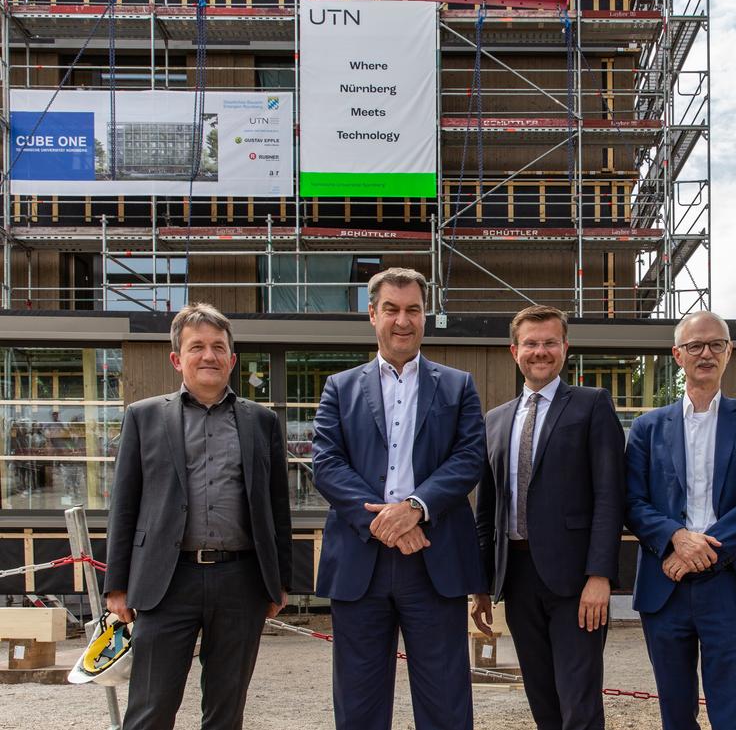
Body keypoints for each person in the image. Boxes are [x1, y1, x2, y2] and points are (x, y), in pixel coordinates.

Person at [312, 267, 486, 730]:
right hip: (360, 561)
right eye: (392, 309)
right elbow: (326, 464)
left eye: (413, 310)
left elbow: (469, 458)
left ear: (426, 316)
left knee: (446, 700)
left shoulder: (458, 385)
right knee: (359, 701)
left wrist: (414, 510)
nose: (403, 320)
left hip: (434, 559)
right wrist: (384, 523)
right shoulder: (340, 387)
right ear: (372, 314)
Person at [104, 303, 293, 730]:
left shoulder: (262, 422)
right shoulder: (144, 417)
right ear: (177, 358)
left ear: (232, 358)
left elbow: (277, 507)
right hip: (165, 581)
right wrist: (116, 584)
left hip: (241, 581)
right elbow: (125, 503)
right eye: (197, 347)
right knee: (151, 709)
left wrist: (280, 581)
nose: (209, 355)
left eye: (218, 347)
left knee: (225, 712)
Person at [472, 304, 625, 730]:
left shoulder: (592, 405)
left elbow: (611, 495)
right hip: (517, 577)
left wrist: (600, 576)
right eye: (531, 343)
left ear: (565, 348)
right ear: (514, 350)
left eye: (550, 343)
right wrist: (482, 584)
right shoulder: (496, 420)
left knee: (579, 701)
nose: (541, 351)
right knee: (542, 696)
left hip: (576, 580)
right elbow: (487, 509)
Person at [625, 311, 736, 730]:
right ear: (678, 355)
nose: (705, 353)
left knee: (733, 710)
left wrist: (698, 552)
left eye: (716, 344)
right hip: (665, 584)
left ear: (730, 351)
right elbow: (633, 502)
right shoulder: (646, 428)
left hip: (730, 583)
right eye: (695, 346)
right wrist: (676, 538)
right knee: (675, 711)